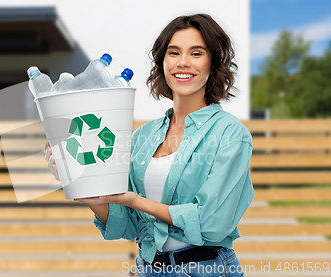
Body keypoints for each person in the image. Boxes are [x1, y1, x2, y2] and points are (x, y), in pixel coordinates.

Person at [44, 13, 252, 277]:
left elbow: (213, 223)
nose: (183, 62)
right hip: (147, 269)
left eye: (196, 53)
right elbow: (128, 227)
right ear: (162, 62)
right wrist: (87, 194)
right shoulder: (143, 136)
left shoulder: (230, 133)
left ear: (214, 62)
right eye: (173, 53)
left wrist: (136, 201)